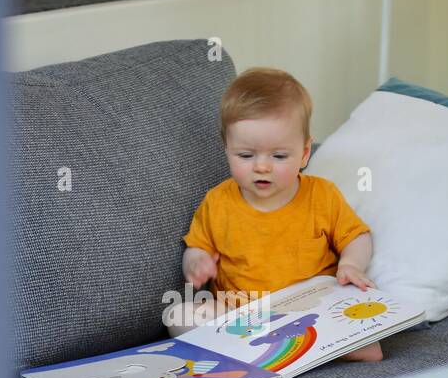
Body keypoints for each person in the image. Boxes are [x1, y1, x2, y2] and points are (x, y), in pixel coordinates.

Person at [164, 67, 383, 362]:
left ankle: (298, 346)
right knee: (179, 314)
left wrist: (351, 264)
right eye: (246, 155)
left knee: (366, 336)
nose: (262, 167)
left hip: (311, 307)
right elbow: (198, 245)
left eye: (279, 156)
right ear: (226, 148)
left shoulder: (322, 195)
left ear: (305, 153)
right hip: (241, 314)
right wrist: (196, 262)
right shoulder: (217, 202)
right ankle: (261, 347)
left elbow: (357, 236)